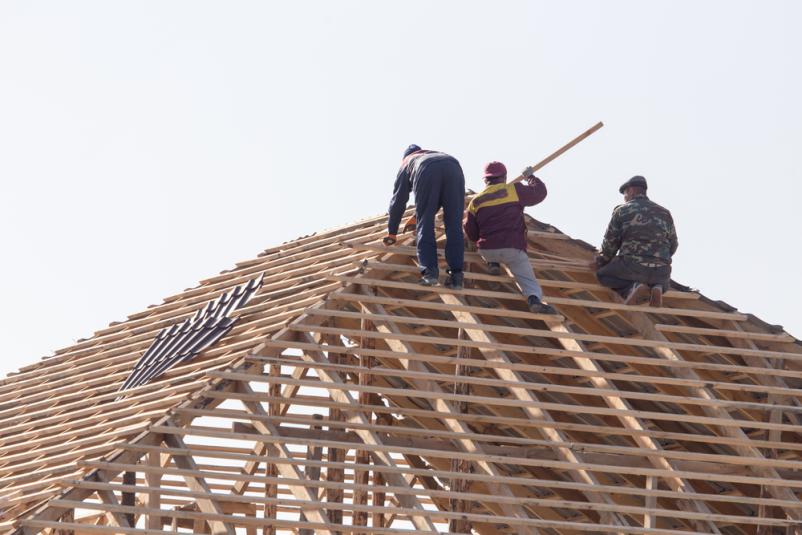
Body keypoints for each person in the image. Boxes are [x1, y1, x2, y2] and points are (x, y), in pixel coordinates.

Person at [463, 161, 557, 314]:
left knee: (489, 241)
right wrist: (530, 177)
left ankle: (493, 264)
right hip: (512, 248)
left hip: (487, 250)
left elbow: (471, 233)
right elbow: (539, 193)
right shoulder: (514, 190)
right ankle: (534, 299)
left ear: (485, 180)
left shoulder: (476, 201)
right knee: (527, 279)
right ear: (504, 177)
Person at [384, 144, 466, 289]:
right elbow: (437, 195)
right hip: (454, 166)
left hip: (426, 170)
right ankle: (457, 276)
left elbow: (398, 201)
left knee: (425, 224)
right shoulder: (434, 155)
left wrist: (392, 232)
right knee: (454, 224)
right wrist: (416, 215)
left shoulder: (407, 162)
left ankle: (429, 273)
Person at [594, 175, 678, 307]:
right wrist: (658, 259)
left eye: (625, 194)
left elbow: (610, 245)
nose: (625, 198)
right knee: (663, 283)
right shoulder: (665, 213)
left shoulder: (622, 210)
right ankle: (657, 287)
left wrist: (600, 262)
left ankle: (632, 288)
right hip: (662, 271)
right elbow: (673, 244)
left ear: (631, 190)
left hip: (632, 266)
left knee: (603, 276)